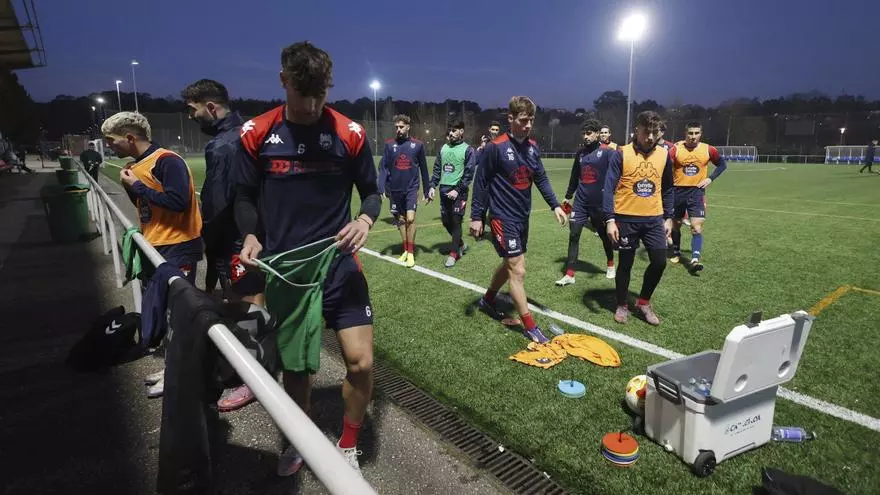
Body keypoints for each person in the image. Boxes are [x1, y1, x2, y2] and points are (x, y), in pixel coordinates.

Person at [232, 41, 381, 475]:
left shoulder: (349, 134)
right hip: (289, 271)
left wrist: (365, 220)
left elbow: (372, 192)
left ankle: (347, 444)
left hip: (338, 264)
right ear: (284, 81)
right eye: (304, 95)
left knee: (362, 362)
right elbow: (243, 195)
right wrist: (250, 234)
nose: (313, 106)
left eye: (321, 95)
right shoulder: (257, 133)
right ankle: (301, 439)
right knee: (297, 369)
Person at [101, 111, 204, 395]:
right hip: (154, 244)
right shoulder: (136, 165)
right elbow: (146, 206)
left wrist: (137, 185)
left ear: (129, 137)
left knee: (179, 312)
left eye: (111, 140)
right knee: (164, 310)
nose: (109, 146)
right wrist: (133, 188)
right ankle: (173, 365)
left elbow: (178, 202)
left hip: (178, 245)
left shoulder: (167, 160)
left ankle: (183, 372)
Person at [182, 78, 264, 412]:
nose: (192, 117)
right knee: (254, 302)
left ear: (211, 107)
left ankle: (254, 378)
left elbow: (217, 204)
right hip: (257, 233)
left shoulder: (223, 145)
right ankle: (246, 367)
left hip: (236, 238)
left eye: (193, 110)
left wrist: (208, 243)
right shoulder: (251, 131)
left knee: (245, 304)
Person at [470, 96, 568, 343]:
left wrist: (555, 205)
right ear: (511, 118)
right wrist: (476, 217)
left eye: (531, 120)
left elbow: (541, 178)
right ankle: (530, 326)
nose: (528, 125)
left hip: (522, 217)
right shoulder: (496, 147)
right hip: (502, 216)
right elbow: (481, 182)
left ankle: (487, 300)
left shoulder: (533, 147)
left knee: (509, 264)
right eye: (523, 120)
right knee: (518, 268)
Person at [603, 111, 673, 326]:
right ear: (637, 130)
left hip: (654, 219)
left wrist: (669, 218)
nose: (650, 137)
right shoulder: (621, 153)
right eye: (646, 132)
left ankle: (643, 302)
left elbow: (668, 189)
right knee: (626, 264)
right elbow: (608, 188)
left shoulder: (664, 155)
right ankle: (622, 304)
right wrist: (610, 220)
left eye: (654, 132)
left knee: (659, 262)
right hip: (626, 219)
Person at [556, 119, 615, 286]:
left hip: (599, 203)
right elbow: (575, 176)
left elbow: (616, 175)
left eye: (589, 133)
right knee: (574, 235)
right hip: (580, 203)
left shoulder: (608, 152)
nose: (586, 137)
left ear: (597, 133)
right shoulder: (580, 153)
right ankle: (570, 274)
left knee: (603, 235)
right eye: (584, 134)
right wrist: (568, 196)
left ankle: (610, 264)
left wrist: (612, 193)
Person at [668, 122, 727, 270]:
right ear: (685, 134)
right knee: (676, 225)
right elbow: (664, 166)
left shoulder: (708, 149)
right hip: (677, 192)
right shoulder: (676, 149)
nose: (693, 136)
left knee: (696, 227)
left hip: (696, 192)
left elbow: (722, 164)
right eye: (690, 133)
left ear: (700, 134)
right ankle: (676, 252)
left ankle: (695, 259)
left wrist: (710, 178)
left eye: (696, 133)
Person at [377, 114, 430, 268]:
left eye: (401, 127)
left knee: (410, 219)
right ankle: (406, 250)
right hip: (395, 189)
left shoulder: (418, 145)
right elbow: (384, 168)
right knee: (401, 220)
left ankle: (411, 253)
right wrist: (381, 186)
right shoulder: (389, 145)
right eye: (396, 127)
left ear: (408, 127)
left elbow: (424, 169)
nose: (398, 130)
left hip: (411, 188)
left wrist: (427, 190)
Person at [430, 120, 476, 267]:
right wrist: (432, 186)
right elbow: (437, 168)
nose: (451, 133)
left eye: (454, 130)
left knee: (456, 221)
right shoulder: (443, 148)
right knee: (446, 222)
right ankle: (460, 244)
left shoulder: (468, 150)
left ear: (461, 131)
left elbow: (469, 174)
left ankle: (454, 254)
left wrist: (457, 190)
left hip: (459, 192)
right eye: (449, 130)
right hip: (443, 190)